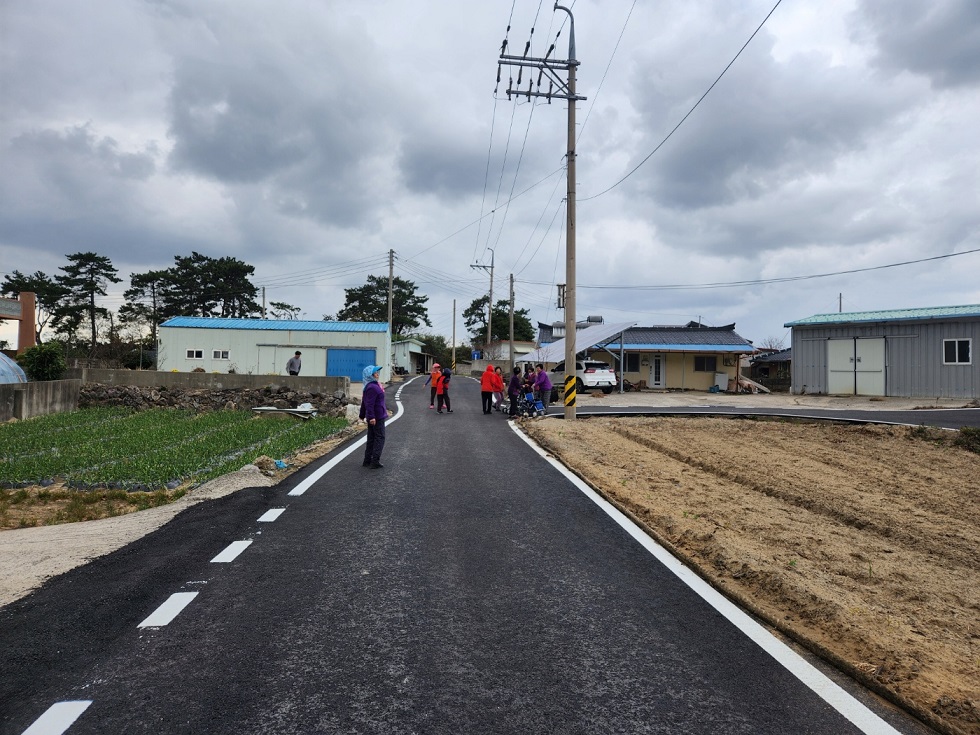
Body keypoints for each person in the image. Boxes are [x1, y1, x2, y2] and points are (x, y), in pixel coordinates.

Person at [360, 364, 388, 469]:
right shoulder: (372, 387)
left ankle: (367, 460)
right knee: (379, 438)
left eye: (377, 372)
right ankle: (375, 461)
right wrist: (371, 417)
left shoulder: (370, 385)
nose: (377, 374)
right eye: (375, 372)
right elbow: (369, 404)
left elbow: (364, 402)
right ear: (370, 375)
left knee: (371, 438)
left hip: (374, 416)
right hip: (377, 417)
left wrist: (362, 414)